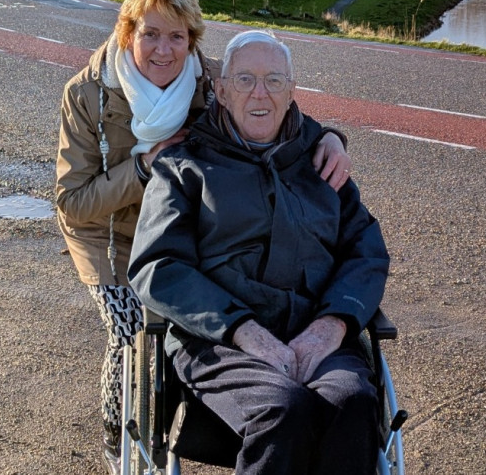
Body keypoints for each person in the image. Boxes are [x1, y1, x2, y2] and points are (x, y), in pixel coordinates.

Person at [54, 0, 352, 474]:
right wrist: (146, 167)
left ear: (192, 41)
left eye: (177, 36)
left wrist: (331, 137)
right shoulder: (88, 96)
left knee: (199, 314)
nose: (163, 50)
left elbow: (267, 102)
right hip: (114, 241)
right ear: (129, 33)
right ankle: (119, 435)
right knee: (130, 332)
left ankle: (227, 420)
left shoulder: (211, 81)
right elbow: (73, 202)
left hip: (188, 233)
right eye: (150, 33)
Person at [129, 29, 389, 475]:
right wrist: (242, 329)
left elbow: (366, 252)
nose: (260, 93)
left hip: (314, 331)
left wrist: (331, 326)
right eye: (245, 80)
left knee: (352, 402)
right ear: (223, 91)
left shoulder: (321, 163)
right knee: (281, 409)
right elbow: (157, 265)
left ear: (292, 92)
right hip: (219, 340)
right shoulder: (184, 166)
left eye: (273, 80)